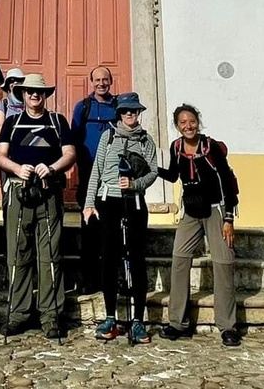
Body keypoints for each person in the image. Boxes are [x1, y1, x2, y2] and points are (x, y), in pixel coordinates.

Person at [0, 73, 76, 339]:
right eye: (29, 91)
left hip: (49, 192)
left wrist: (51, 168)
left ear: (45, 95)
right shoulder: (11, 122)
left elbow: (70, 154)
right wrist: (18, 168)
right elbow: (0, 156)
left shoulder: (57, 122)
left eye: (39, 91)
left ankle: (50, 315)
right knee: (18, 254)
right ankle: (18, 314)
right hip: (19, 193)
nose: (34, 95)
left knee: (50, 255)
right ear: (23, 94)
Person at [156, 104, 241, 347]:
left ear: (198, 122)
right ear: (177, 126)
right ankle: (178, 323)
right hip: (191, 211)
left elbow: (226, 180)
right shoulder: (176, 147)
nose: (188, 126)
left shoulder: (211, 147)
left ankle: (227, 326)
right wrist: (151, 168)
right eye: (182, 123)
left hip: (215, 210)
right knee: (180, 259)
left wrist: (228, 219)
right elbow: (174, 175)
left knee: (224, 263)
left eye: (191, 121)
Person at [82, 92, 158, 345]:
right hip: (109, 202)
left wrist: (135, 183)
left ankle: (138, 320)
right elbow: (97, 170)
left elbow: (153, 172)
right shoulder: (109, 136)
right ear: (119, 114)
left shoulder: (147, 141)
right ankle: (110, 316)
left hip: (134, 202)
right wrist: (89, 203)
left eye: (134, 111)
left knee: (136, 258)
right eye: (126, 111)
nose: (130, 115)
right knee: (109, 258)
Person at [70, 66, 119, 293]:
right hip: (89, 175)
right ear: (91, 82)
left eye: (105, 79)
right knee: (89, 228)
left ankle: (111, 278)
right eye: (97, 80)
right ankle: (88, 281)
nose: (101, 83)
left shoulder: (120, 106)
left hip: (113, 178)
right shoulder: (83, 107)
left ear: (111, 81)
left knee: (112, 230)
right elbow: (74, 140)